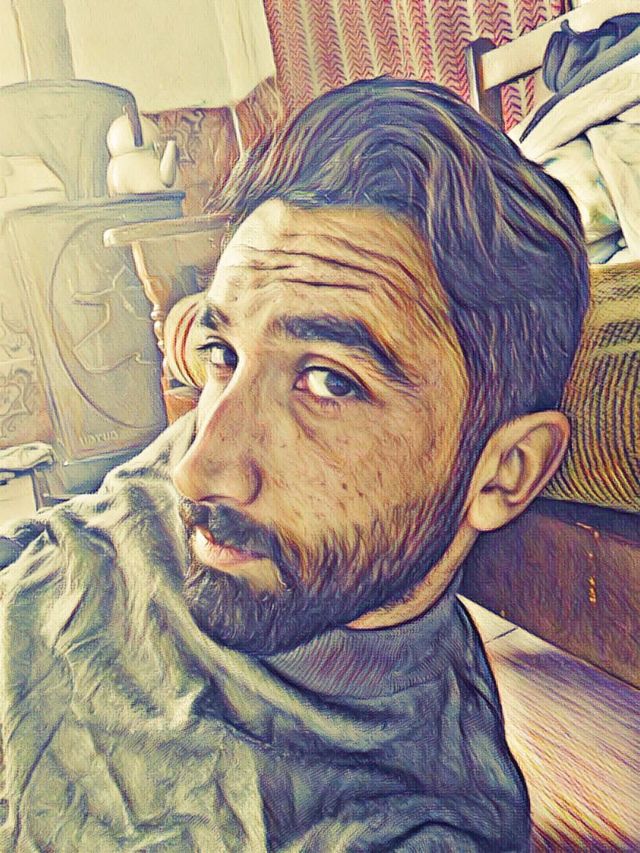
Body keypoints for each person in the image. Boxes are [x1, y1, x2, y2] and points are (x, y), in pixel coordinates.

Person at [0, 79, 588, 851]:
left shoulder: (400, 823)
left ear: (505, 470)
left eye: (329, 382)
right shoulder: (222, 473)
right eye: (223, 354)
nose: (197, 469)